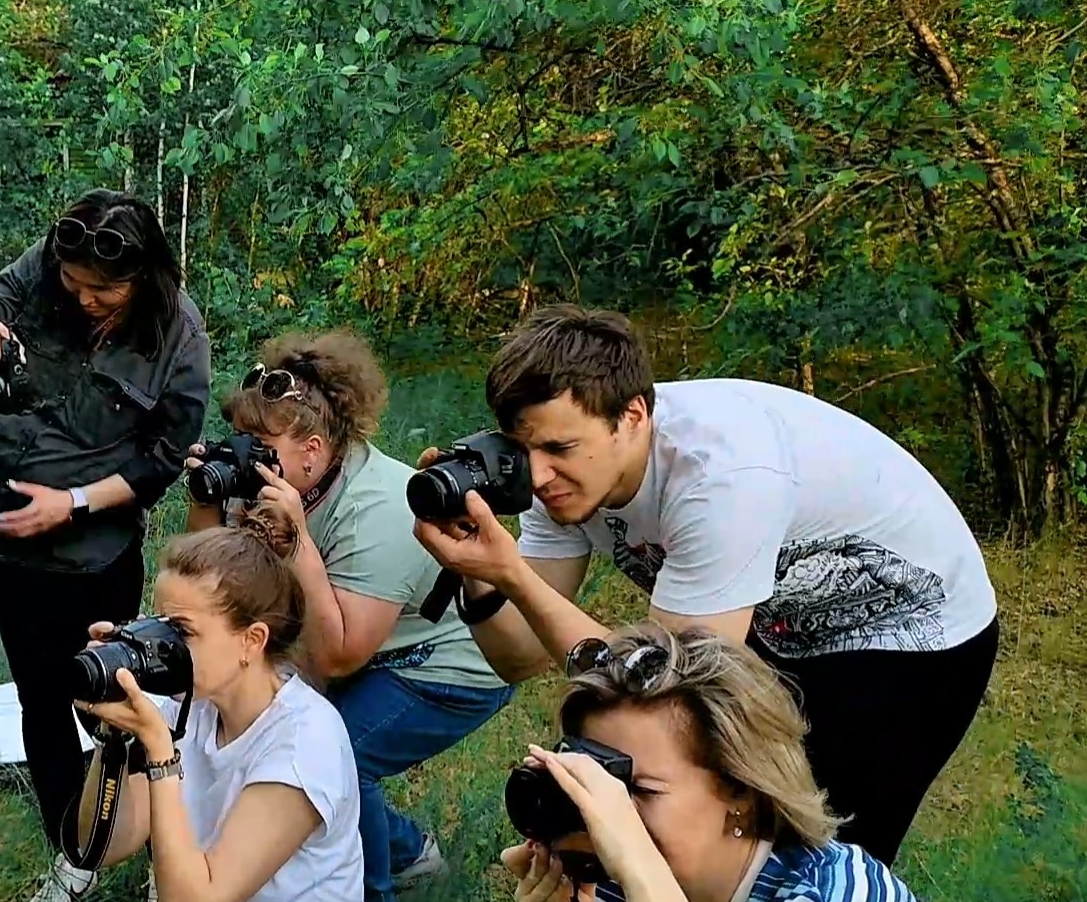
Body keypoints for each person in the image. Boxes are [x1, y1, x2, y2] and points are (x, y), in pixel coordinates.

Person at [414, 304, 998, 867]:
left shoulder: (719, 477)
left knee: (823, 850)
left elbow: (664, 690)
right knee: (724, 811)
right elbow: (519, 656)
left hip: (911, 630)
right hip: (783, 616)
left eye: (559, 449)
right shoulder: (562, 475)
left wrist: (514, 573)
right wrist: (480, 573)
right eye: (525, 451)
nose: (539, 475)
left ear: (633, 416)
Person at [182, 330, 513, 902]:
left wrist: (298, 542)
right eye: (240, 440)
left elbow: (336, 657)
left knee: (336, 756)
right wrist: (206, 502)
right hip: (374, 645)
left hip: (454, 662)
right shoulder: (277, 477)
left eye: (260, 445)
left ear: (313, 448)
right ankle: (408, 851)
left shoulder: (380, 507)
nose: (248, 458)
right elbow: (211, 584)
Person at [0, 189, 213, 902]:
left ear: (144, 276)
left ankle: (161, 850)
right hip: (9, 545)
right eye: (74, 283)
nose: (85, 298)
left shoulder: (179, 333)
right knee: (40, 703)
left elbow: (163, 458)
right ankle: (73, 852)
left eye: (104, 290)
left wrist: (75, 503)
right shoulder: (42, 269)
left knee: (118, 708)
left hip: (97, 555)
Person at [505, 622, 961, 902]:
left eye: (635, 789)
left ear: (741, 792)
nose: (606, 817)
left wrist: (641, 869)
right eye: (593, 783)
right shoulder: (610, 891)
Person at [84, 502, 375, 902]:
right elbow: (105, 845)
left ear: (252, 641)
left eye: (182, 632)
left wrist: (159, 754)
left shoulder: (303, 745)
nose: (163, 647)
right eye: (158, 625)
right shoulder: (193, 705)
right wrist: (113, 734)